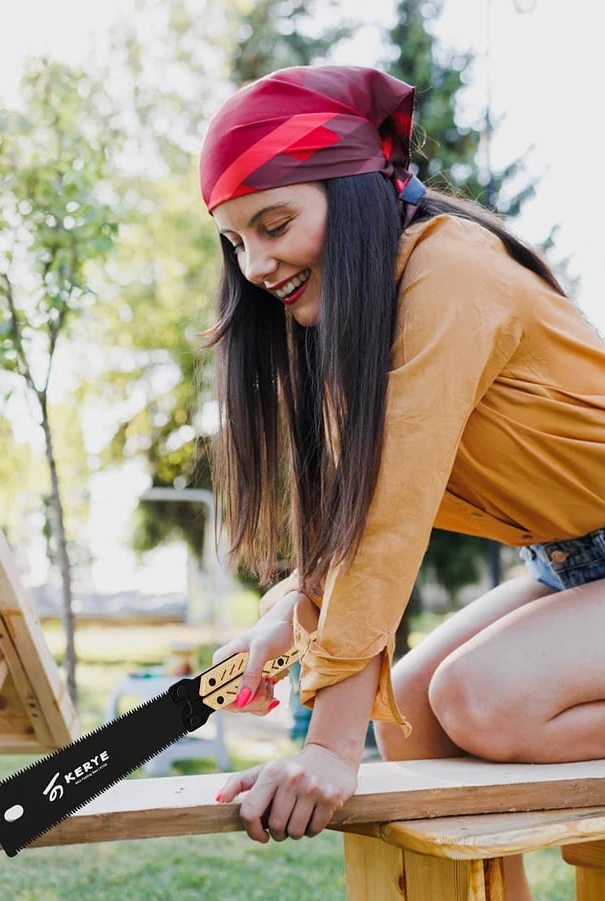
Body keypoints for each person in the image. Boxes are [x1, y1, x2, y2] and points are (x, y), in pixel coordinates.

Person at [198, 64, 605, 900]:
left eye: (275, 224)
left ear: (353, 195)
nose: (257, 265)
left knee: (483, 698)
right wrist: (287, 618)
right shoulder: (365, 317)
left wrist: (328, 749)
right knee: (411, 717)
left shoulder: (451, 274)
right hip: (570, 557)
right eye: (237, 241)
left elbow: (390, 515)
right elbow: (357, 514)